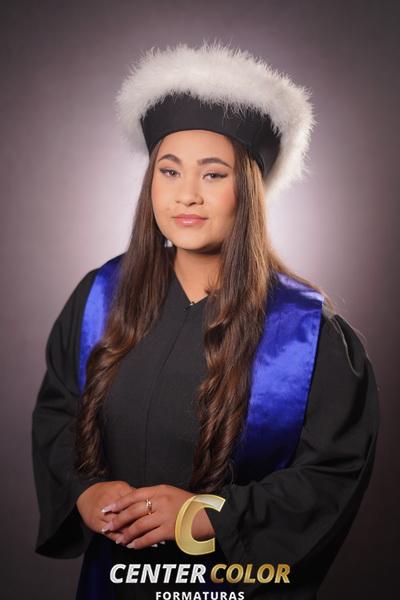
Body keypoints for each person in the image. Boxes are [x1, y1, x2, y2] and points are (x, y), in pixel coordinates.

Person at [31, 41, 380, 600]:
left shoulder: (307, 333)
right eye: (169, 171)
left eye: (213, 175)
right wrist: (84, 491)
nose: (186, 195)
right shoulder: (99, 298)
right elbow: (58, 412)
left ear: (249, 190)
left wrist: (206, 516)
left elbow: (331, 474)